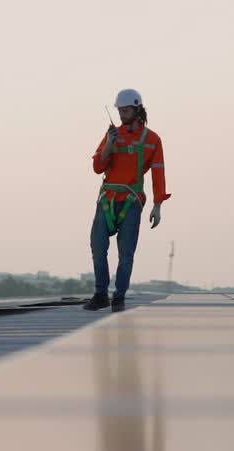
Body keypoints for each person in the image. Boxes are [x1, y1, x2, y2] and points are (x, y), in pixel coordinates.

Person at [85, 89, 171, 312]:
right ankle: (100, 293)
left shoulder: (152, 140)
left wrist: (158, 205)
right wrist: (108, 148)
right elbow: (97, 167)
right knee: (97, 245)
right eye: (120, 111)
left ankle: (119, 297)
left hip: (131, 202)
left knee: (126, 253)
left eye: (125, 111)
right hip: (107, 199)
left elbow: (158, 173)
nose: (122, 115)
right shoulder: (113, 135)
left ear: (137, 109)